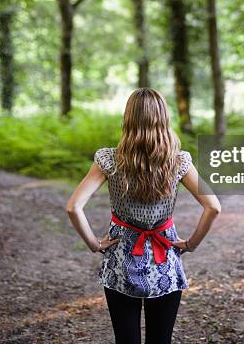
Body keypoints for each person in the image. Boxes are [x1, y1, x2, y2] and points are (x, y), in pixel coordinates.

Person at [66, 88, 221, 344]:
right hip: (165, 260)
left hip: (120, 260)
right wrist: (191, 244)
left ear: (128, 119)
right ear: (164, 119)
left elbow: (74, 207)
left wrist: (94, 244)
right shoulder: (179, 162)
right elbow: (213, 206)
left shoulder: (109, 159)